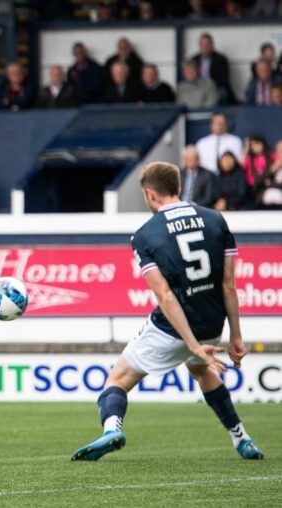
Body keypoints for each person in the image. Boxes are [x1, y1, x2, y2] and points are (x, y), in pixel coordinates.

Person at [71, 161, 264, 462]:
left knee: (118, 379)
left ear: (150, 194)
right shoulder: (215, 219)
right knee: (202, 370)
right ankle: (242, 438)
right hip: (213, 324)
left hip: (175, 329)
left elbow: (164, 295)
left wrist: (191, 345)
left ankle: (112, 429)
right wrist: (236, 337)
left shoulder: (145, 235)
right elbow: (229, 286)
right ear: (177, 186)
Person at [191, 33, 235, 104]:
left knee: (223, 93)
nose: (205, 46)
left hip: (215, 87)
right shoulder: (194, 60)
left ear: (212, 45)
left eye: (207, 44)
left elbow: (223, 80)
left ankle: (220, 114)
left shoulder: (221, 59)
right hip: (198, 87)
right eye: (202, 44)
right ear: (199, 45)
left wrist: (209, 86)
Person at [255, 141, 282, 209]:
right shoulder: (270, 164)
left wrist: (270, 183)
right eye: (280, 151)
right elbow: (257, 182)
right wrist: (272, 169)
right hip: (265, 206)